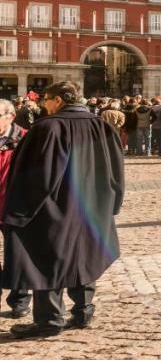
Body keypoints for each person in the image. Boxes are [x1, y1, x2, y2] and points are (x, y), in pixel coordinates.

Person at [2, 82, 125, 338]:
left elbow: (38, 176)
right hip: (94, 205)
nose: (44, 105)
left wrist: (19, 211)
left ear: (58, 100)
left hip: (53, 207)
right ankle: (83, 311)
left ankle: (50, 319)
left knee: (46, 260)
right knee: (84, 255)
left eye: (47, 100)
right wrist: (113, 203)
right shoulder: (102, 126)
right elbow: (117, 170)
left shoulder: (47, 128)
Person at [0, 100, 30, 319]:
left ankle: (19, 301)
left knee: (18, 257)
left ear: (10, 116)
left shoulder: (26, 139)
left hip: (14, 206)